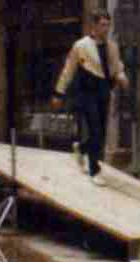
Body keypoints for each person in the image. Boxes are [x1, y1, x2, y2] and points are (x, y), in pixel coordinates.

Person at [51, 12, 129, 186]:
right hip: (86, 93)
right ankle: (95, 170)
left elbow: (117, 67)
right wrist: (58, 93)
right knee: (95, 129)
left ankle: (81, 148)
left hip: (104, 91)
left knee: (101, 132)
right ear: (93, 26)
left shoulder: (112, 46)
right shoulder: (81, 46)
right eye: (102, 25)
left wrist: (122, 77)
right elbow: (68, 70)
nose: (106, 29)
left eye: (107, 25)